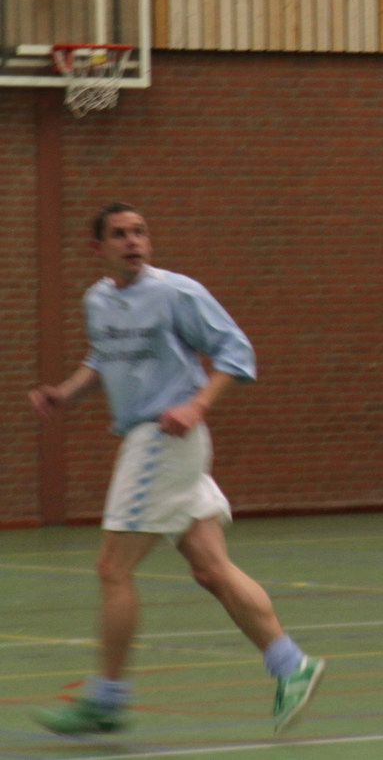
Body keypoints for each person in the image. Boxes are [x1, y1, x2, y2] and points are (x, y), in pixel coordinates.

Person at [27, 202, 325, 736]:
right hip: (153, 443)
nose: (133, 241)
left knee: (112, 568)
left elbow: (236, 353)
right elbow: (101, 358)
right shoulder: (97, 300)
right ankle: (291, 665)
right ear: (98, 248)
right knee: (211, 569)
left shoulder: (177, 292)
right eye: (120, 234)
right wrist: (64, 393)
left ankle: (107, 699)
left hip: (164, 440)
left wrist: (196, 405)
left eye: (139, 232)